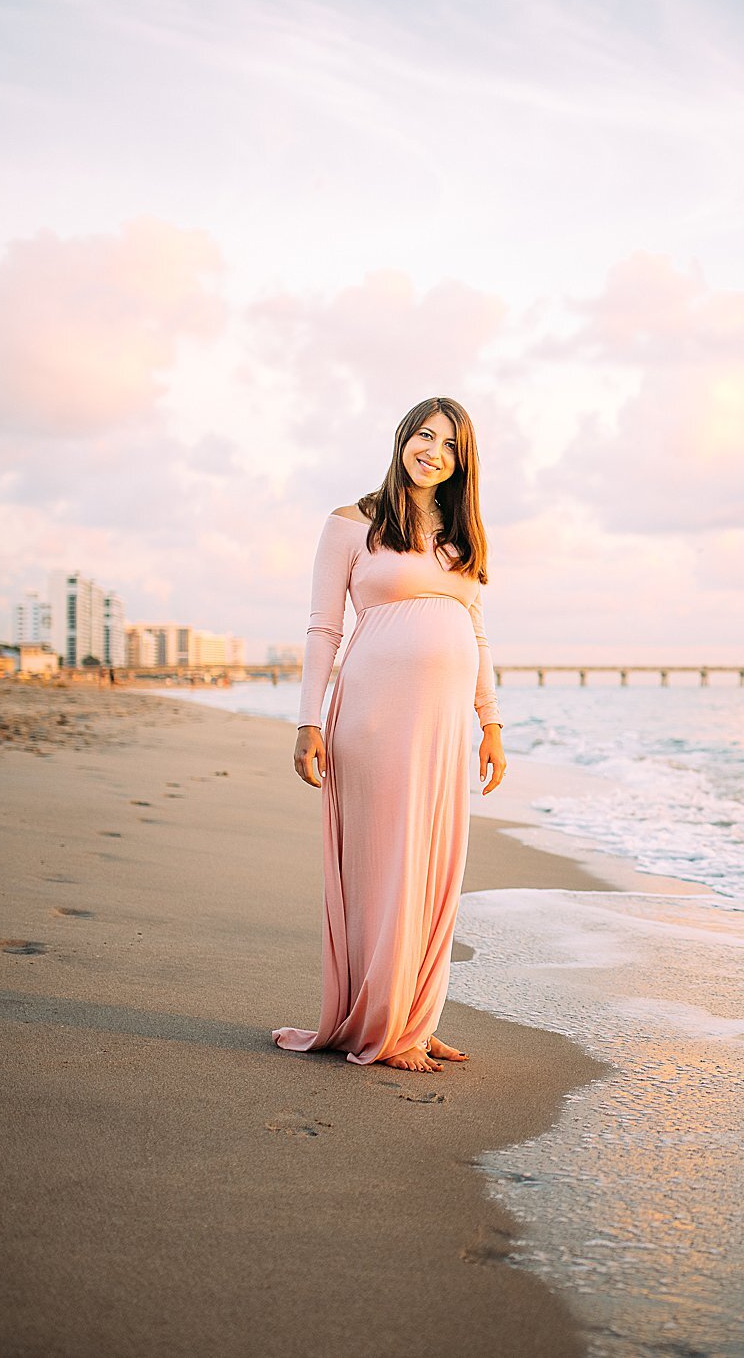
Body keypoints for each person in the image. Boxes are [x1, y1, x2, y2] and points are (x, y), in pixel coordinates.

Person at [275, 396, 508, 1073]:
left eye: (450, 444)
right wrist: (307, 720)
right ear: (403, 437)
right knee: (386, 864)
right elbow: (324, 628)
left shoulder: (464, 536)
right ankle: (383, 1025)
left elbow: (477, 632)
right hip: (373, 715)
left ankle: (414, 1013)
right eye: (424, 435)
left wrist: (490, 722)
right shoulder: (352, 523)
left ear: (462, 461)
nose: (432, 450)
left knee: (434, 865)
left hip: (442, 726)